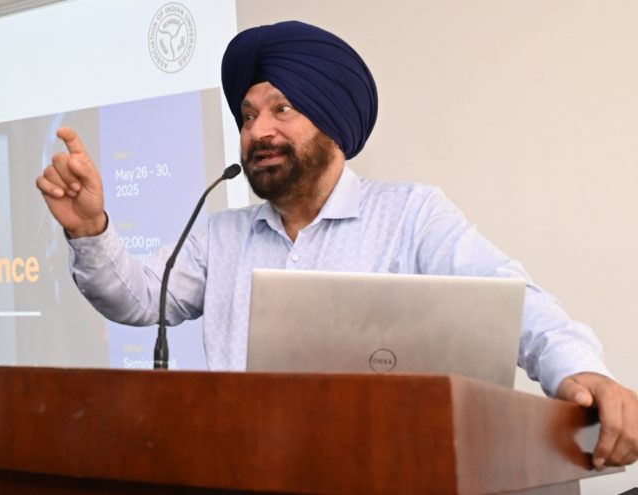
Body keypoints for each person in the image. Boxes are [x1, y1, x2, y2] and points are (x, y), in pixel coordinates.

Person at [35, 20, 636, 469]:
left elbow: (512, 301)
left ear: (333, 123)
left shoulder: (410, 215)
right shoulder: (221, 234)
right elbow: (141, 301)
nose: (257, 131)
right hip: (242, 473)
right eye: (246, 116)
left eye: (282, 109)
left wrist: (582, 372)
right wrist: (90, 227)